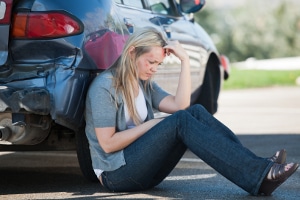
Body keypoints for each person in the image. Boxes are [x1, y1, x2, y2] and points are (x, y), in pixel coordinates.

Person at [85, 27, 298, 196]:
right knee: (180, 121)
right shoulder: (105, 87)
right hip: (116, 174)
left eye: (158, 64)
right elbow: (108, 143)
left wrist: (185, 60)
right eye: (151, 62)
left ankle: (257, 169)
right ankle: (259, 173)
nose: (154, 69)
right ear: (132, 53)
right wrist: (152, 124)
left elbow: (181, 105)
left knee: (194, 111)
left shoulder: (143, 83)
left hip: (144, 171)